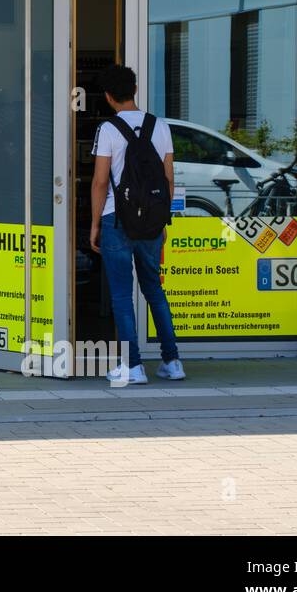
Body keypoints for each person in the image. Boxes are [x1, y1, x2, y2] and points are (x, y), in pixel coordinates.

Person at [89, 64, 184, 385]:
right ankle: (172, 362)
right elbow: (168, 179)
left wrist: (94, 224)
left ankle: (133, 366)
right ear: (134, 91)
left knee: (120, 295)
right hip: (152, 222)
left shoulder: (108, 129)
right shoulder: (160, 126)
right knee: (154, 290)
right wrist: (163, 219)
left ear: (107, 96)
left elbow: (100, 181)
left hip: (117, 219)